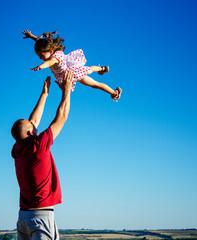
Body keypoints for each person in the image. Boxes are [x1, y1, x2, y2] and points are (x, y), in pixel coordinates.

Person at [11, 71, 73, 240]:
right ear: (31, 133)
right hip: (41, 217)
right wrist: (66, 90)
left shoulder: (17, 149)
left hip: (23, 218)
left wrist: (44, 95)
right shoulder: (39, 146)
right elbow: (62, 117)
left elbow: (33, 122)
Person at [22, 29, 122, 101]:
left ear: (50, 51)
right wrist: (32, 37)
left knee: (94, 81)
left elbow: (49, 63)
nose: (40, 57)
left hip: (72, 71)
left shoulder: (54, 58)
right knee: (94, 82)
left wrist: (40, 66)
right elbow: (41, 44)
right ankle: (113, 91)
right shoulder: (49, 50)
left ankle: (102, 69)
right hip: (69, 71)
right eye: (39, 56)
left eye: (41, 55)